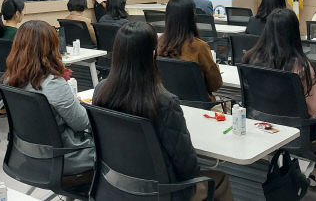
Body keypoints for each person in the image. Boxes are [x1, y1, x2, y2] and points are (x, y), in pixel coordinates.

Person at [93, 22, 233, 201]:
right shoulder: (163, 102)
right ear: (153, 55)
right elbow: (188, 168)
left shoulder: (101, 91)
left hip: (114, 187)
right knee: (219, 179)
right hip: (163, 194)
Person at [241, 9, 316, 185]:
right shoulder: (302, 66)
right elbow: (315, 109)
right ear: (294, 33)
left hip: (259, 126)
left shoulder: (249, 59)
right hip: (295, 135)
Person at [2, 20, 94, 179]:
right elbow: (82, 123)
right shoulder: (52, 84)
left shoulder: (9, 80)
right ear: (51, 48)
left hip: (27, 153)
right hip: (66, 157)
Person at [157, 0, 222, 101]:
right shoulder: (200, 46)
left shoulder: (159, 43)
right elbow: (216, 85)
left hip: (168, 102)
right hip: (199, 105)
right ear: (193, 17)